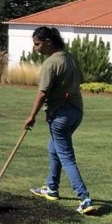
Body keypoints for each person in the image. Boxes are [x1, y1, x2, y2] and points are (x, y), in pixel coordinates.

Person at [24, 26, 95, 214]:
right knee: (53, 147)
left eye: (37, 44)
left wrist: (32, 116)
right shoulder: (70, 58)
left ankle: (85, 199)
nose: (35, 48)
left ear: (48, 42)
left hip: (60, 115)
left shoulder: (50, 63)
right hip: (76, 112)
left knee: (66, 156)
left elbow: (42, 92)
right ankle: (52, 188)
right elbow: (79, 81)